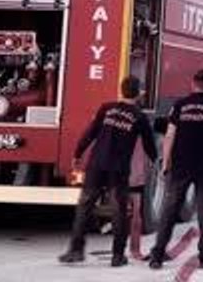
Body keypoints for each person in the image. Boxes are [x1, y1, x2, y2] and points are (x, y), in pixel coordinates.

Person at [59, 75, 157, 267]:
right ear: (138, 94)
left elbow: (91, 132)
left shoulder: (106, 108)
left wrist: (78, 153)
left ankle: (75, 250)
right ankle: (117, 256)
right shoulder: (139, 117)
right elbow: (149, 144)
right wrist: (156, 161)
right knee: (119, 211)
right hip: (118, 169)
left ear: (121, 90)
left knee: (85, 206)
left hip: (96, 164)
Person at [149, 69, 203, 270]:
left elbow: (170, 136)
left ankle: (157, 256)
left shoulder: (180, 105)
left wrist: (165, 163)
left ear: (192, 83)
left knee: (169, 211)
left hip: (181, 165)